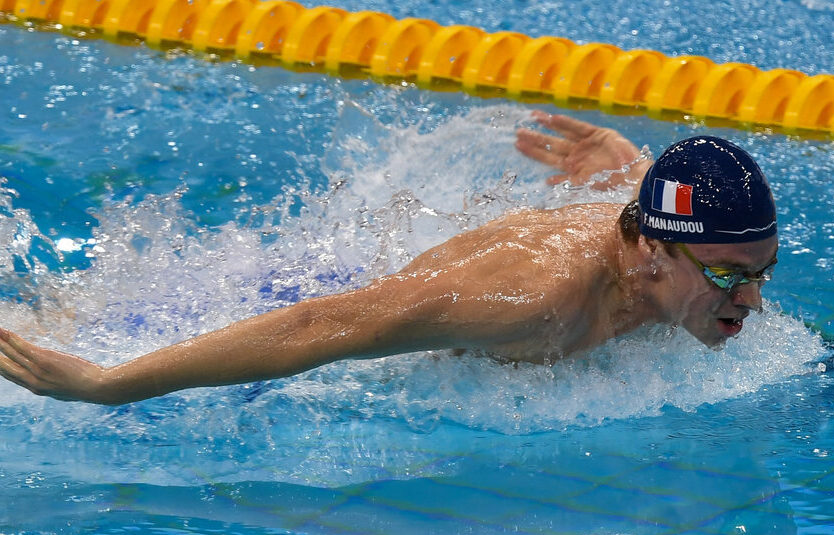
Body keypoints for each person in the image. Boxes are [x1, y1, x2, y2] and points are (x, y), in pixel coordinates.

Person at [0, 112, 778, 405]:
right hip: (273, 300)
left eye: (760, 273)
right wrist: (106, 384)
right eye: (727, 278)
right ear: (648, 252)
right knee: (66, 327)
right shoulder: (531, 299)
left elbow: (658, 209)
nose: (751, 301)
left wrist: (627, 164)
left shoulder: (678, 258)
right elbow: (322, 323)